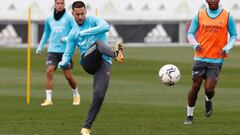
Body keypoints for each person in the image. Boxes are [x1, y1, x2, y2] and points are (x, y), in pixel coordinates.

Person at [58, 1, 124, 135]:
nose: (80, 16)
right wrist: (63, 62)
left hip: (104, 61)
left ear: (85, 12)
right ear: (73, 14)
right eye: (77, 14)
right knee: (98, 43)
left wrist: (86, 32)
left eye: (82, 13)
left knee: (99, 95)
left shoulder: (93, 20)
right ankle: (116, 53)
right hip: (88, 62)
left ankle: (86, 128)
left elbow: (106, 26)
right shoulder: (73, 33)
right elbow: (68, 52)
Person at [184, 0, 237, 124]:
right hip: (200, 58)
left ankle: (208, 99)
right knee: (195, 86)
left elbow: (234, 35)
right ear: (206, 1)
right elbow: (190, 33)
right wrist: (195, 44)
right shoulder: (199, 15)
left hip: (216, 59)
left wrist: (227, 48)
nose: (212, 1)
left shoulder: (227, 16)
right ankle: (189, 116)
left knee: (209, 88)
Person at [36, 0, 80, 106]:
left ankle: (76, 94)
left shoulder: (69, 18)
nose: (59, 5)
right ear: (55, 4)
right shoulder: (49, 18)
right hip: (52, 50)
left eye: (61, 3)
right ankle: (48, 99)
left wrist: (67, 38)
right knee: (49, 71)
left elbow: (76, 30)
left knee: (68, 76)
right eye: (58, 3)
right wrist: (40, 46)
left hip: (65, 51)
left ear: (64, 5)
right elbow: (46, 32)